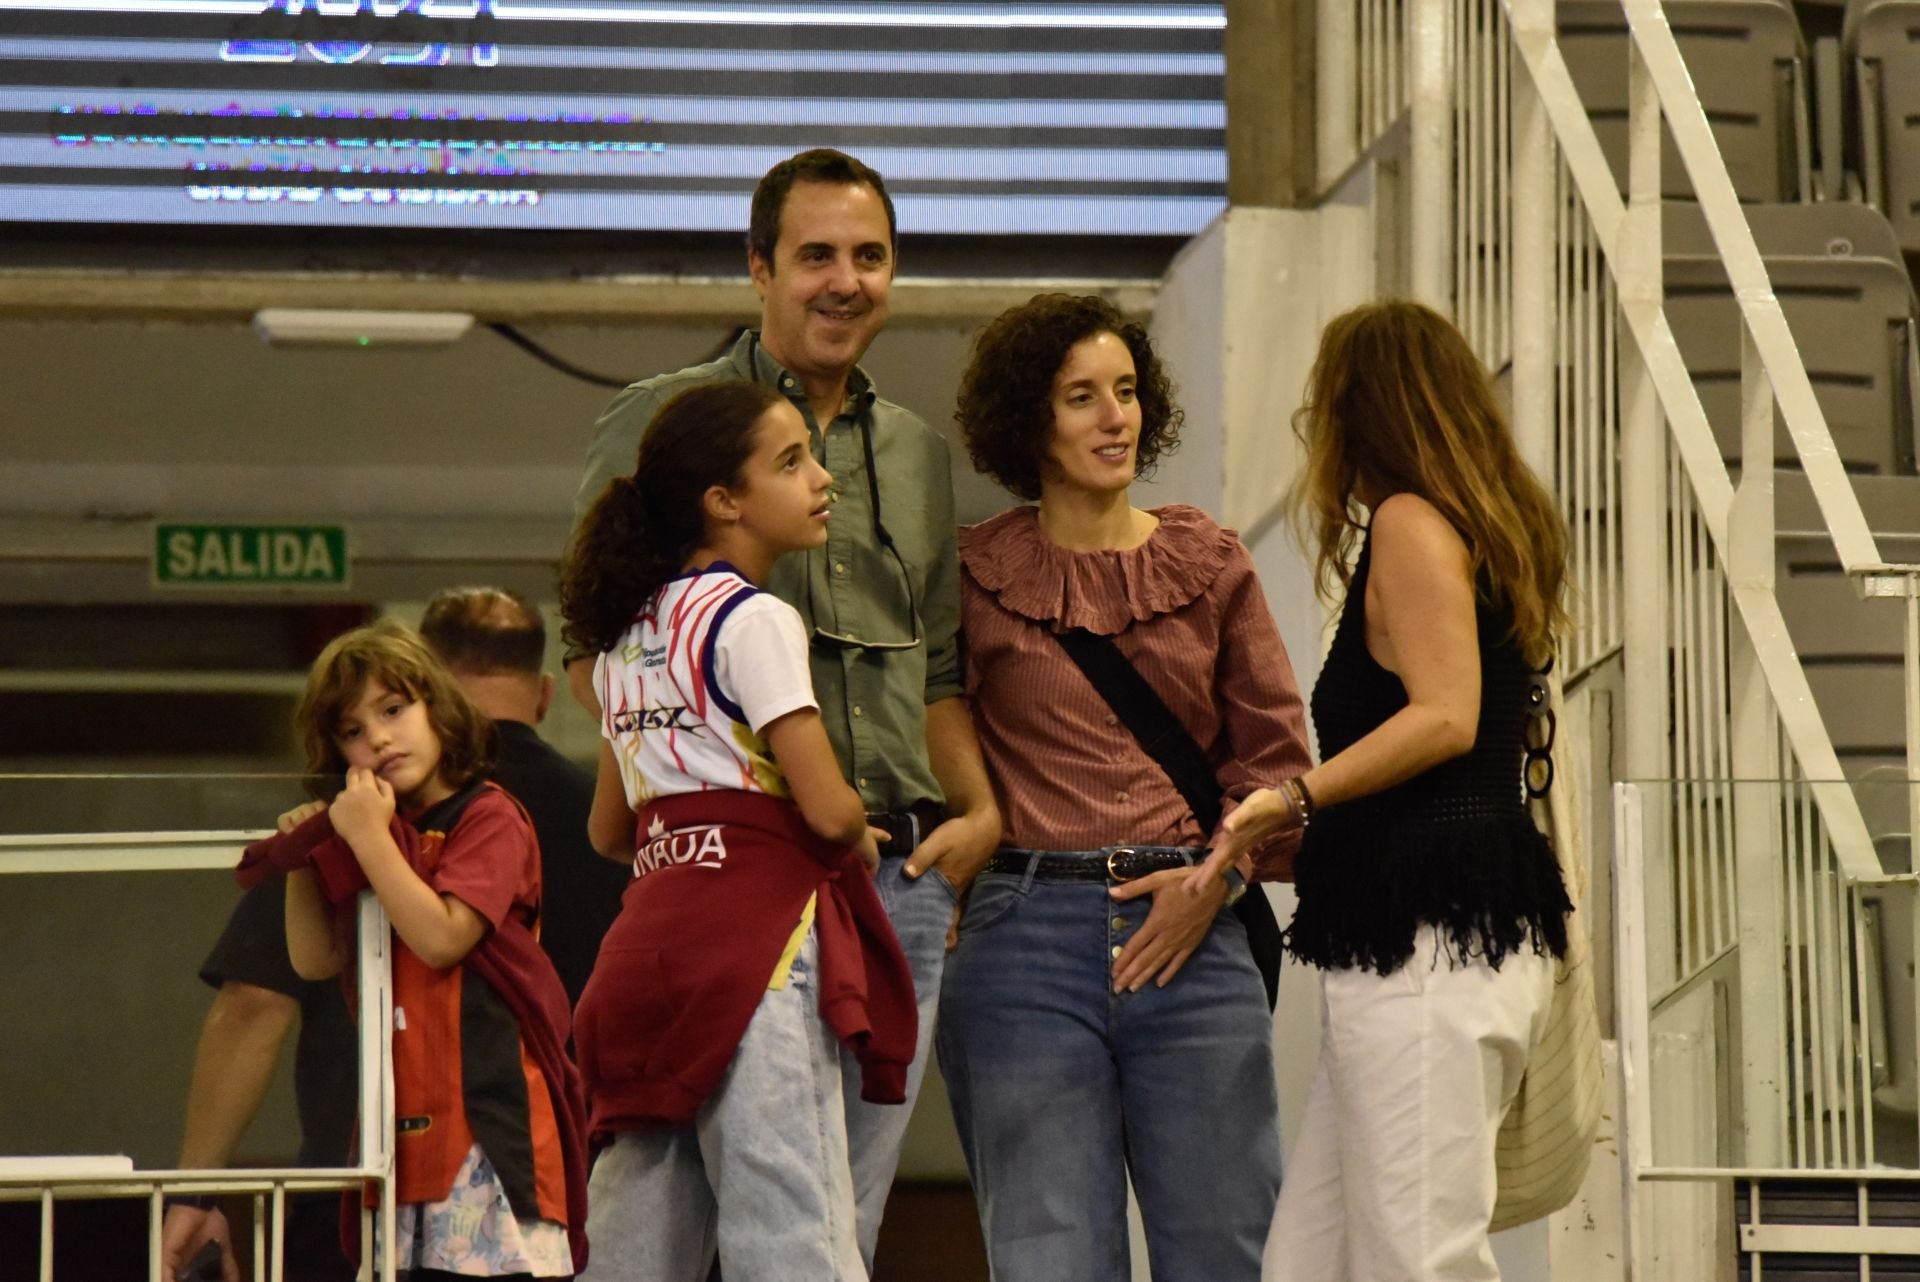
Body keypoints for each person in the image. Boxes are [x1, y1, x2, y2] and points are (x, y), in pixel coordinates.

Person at [568, 146, 1000, 1262]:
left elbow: (940, 669)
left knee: (825, 1212)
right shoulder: (670, 421)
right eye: (815, 255)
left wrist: (979, 818)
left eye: (870, 256)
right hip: (755, 885)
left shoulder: (914, 452)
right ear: (759, 269)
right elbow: (602, 639)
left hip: (891, 876)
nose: (843, 281)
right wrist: (698, 811)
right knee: (788, 1226)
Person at [936, 294, 1313, 1281]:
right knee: (1047, 1259)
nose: (1116, 417)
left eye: (1128, 391)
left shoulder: (1212, 562)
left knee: (1228, 1251)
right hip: (1022, 935)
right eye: (1081, 398)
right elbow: (930, 740)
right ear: (1030, 421)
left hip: (1192, 921)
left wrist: (1220, 881)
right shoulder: (973, 575)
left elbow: (1275, 760)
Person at [1196, 300, 1575, 1282]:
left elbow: (1446, 712)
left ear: (1358, 413)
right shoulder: (1485, 527)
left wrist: (1296, 796)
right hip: (1445, 933)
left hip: (1429, 941)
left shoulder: (1410, 522)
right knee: (1311, 1261)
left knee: (1419, 1259)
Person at [559, 380, 916, 1281]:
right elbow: (830, 809)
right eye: (790, 462)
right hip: (751, 945)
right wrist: (864, 839)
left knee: (636, 1243)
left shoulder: (624, 642)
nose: (820, 479)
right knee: (793, 1233)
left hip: (643, 954)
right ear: (725, 502)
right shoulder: (752, 617)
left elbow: (611, 829)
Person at [239, 620, 589, 1280]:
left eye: (394, 710)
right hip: (399, 1135)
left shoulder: (488, 814)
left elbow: (441, 937)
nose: (377, 738)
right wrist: (303, 861)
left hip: (491, 1128)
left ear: (439, 705)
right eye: (352, 731)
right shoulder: (377, 833)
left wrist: (367, 837)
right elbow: (314, 960)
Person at [419, 585, 629, 1008]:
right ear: (546, 694)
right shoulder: (613, 822)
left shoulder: (397, 812)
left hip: (433, 1067)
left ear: (423, 695)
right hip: (581, 1066)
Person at [159, 876, 356, 1282]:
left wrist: (193, 1194)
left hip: (347, 1194)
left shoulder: (326, 839)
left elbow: (255, 1004)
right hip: (499, 1186)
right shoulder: (509, 828)